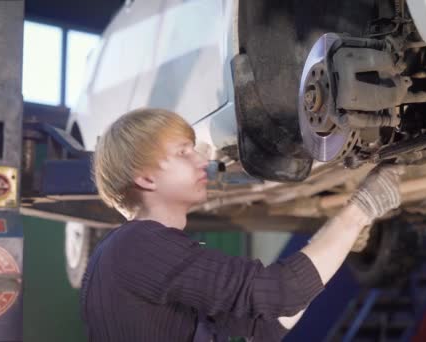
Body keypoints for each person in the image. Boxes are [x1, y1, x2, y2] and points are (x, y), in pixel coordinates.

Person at [80, 108, 402, 341]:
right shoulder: (138, 248)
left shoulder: (131, 253)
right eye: (183, 152)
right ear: (146, 178)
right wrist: (361, 209)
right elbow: (281, 292)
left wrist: (337, 235)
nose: (200, 160)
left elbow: (264, 326)